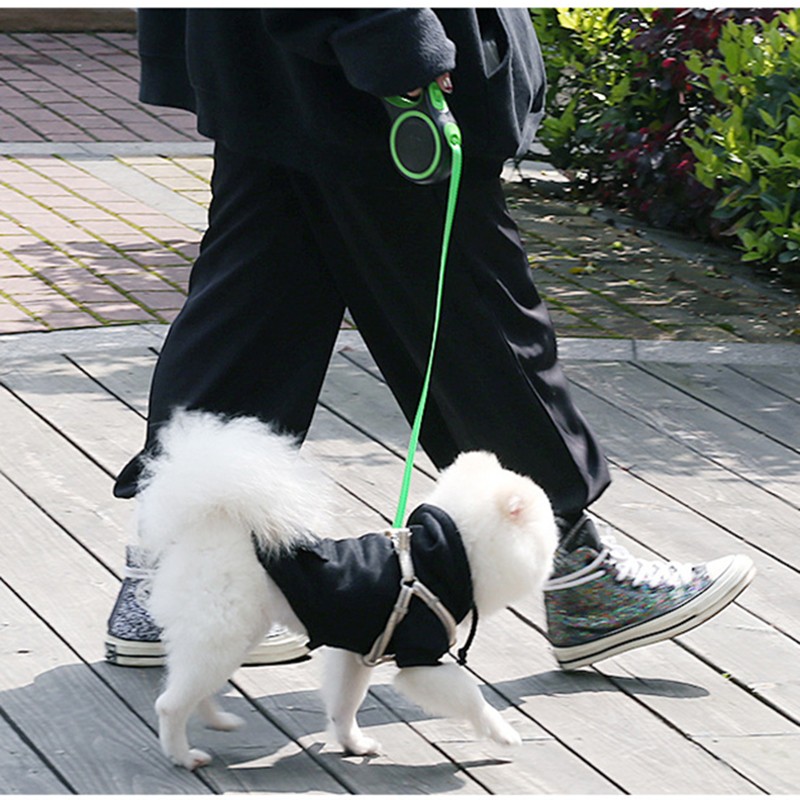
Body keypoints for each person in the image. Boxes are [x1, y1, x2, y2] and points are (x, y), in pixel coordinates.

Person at [106, 8, 755, 670]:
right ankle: (579, 575)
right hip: (358, 72)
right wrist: (393, 42)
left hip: (276, 53)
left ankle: (169, 585)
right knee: (474, 318)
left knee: (254, 309)